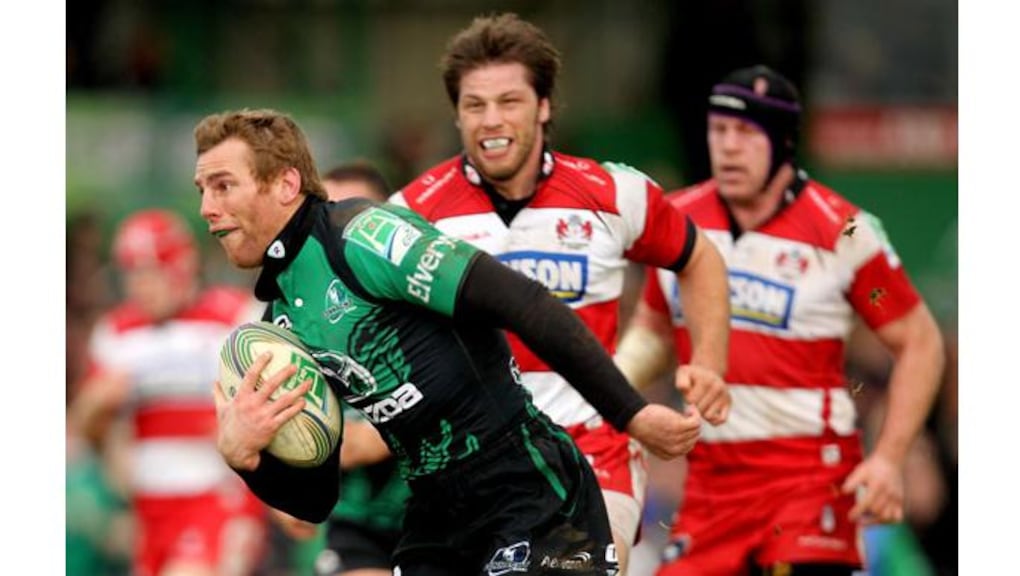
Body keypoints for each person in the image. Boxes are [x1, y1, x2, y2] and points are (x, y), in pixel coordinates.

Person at [192, 107, 704, 576]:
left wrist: (631, 412)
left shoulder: (365, 235)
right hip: (434, 521)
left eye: (222, 186)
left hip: (526, 491)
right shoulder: (280, 321)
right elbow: (318, 497)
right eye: (202, 190)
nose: (207, 208)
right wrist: (246, 457)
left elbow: (523, 302)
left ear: (285, 184)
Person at [388, 13, 732, 572]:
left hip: (593, 454)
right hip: (469, 468)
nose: (491, 120)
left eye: (510, 101)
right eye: (475, 105)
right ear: (456, 114)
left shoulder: (612, 194)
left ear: (544, 106)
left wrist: (711, 363)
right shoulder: (413, 216)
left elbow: (700, 258)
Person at [616, 64, 946, 575]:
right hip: (711, 488)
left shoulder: (846, 230)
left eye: (746, 133)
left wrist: (887, 458)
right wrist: (607, 395)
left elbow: (920, 342)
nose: (728, 147)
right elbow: (654, 332)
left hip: (808, 484)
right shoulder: (675, 220)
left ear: (785, 140)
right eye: (718, 130)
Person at [68, 209, 268, 576]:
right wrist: (96, 403)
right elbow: (86, 429)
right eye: (131, 274)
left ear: (183, 265)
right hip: (148, 505)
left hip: (216, 495)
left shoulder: (236, 316)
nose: (140, 286)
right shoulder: (116, 332)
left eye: (151, 272)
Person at [268, 161, 412, 576]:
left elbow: (372, 442)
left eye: (353, 216)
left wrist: (304, 455)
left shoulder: (423, 311)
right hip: (357, 524)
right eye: (326, 214)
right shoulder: (293, 318)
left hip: (442, 520)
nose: (338, 231)